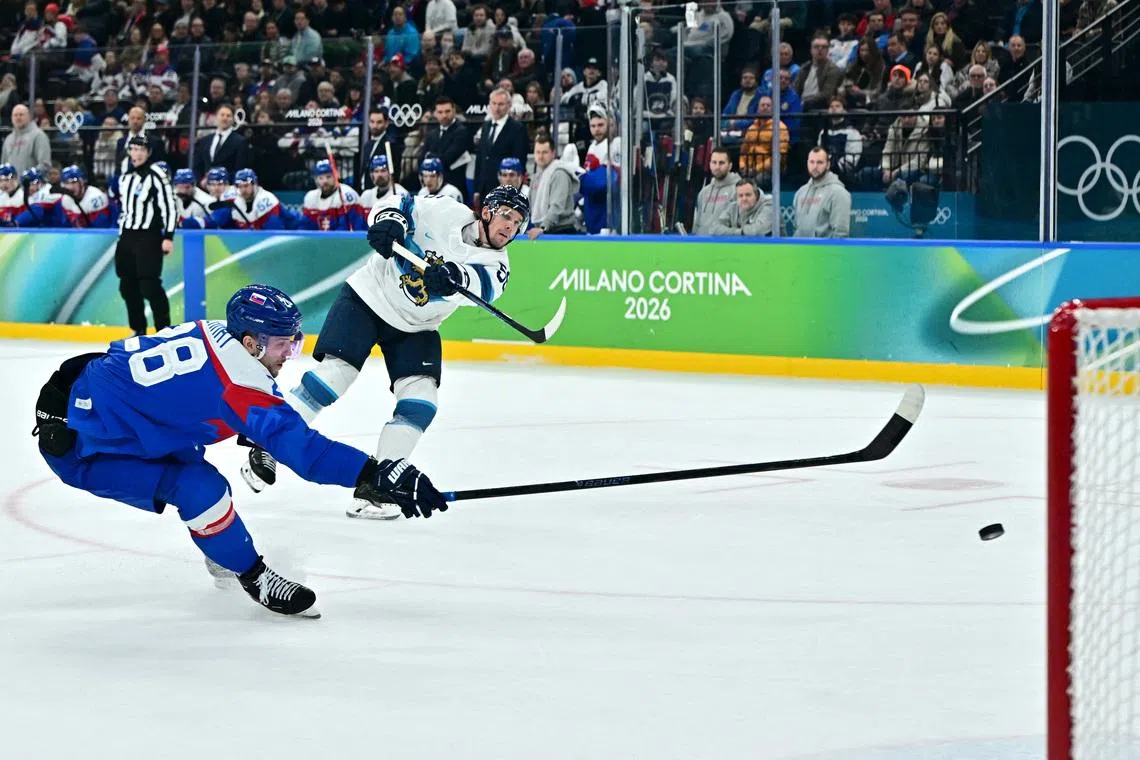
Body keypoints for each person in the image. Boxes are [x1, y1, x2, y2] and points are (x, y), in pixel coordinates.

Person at [31, 284, 448, 618]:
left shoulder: (213, 331)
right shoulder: (240, 384)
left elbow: (113, 360)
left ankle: (223, 552)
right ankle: (254, 575)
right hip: (85, 447)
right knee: (199, 487)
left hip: (133, 425)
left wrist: (55, 395)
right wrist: (375, 475)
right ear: (250, 343)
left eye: (294, 342)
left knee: (195, 471)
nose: (290, 354)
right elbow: (308, 453)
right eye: (283, 344)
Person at [240, 186, 529, 520]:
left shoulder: (497, 264)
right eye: (506, 215)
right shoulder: (446, 210)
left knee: (422, 400)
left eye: (517, 222)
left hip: (416, 326)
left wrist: (453, 276)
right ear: (488, 211)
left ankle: (379, 485)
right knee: (335, 376)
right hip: (368, 297)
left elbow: (483, 285)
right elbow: (399, 203)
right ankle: (268, 440)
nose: (510, 226)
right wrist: (390, 220)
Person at [114, 135, 178, 336]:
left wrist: (168, 236)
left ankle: (164, 331)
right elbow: (125, 209)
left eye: (142, 149)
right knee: (127, 287)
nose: (138, 153)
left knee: (150, 286)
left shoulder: (156, 174)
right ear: (129, 151)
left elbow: (169, 206)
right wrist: (121, 234)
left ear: (148, 152)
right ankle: (138, 329)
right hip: (127, 237)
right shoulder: (125, 177)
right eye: (134, 149)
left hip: (148, 236)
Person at [793, 147, 852, 238]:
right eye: (811, 162)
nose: (815, 166)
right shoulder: (800, 192)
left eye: (820, 162)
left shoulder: (839, 193)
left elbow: (840, 234)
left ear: (828, 165)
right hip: (801, 251)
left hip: (825, 251)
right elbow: (796, 228)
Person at [300, 159, 366, 230]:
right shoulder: (311, 197)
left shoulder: (347, 194)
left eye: (328, 177)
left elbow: (348, 228)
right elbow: (306, 227)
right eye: (321, 178)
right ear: (316, 180)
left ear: (335, 176)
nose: (325, 181)